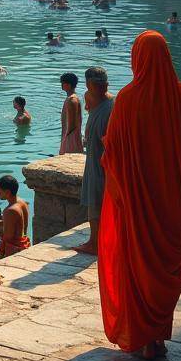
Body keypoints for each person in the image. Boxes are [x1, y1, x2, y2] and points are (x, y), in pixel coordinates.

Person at [98, 31, 181, 360]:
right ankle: (158, 337)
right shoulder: (180, 95)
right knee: (164, 268)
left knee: (137, 265)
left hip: (138, 203)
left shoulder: (128, 98)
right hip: (171, 201)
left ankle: (143, 337)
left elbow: (113, 152)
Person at [76, 66, 113, 255]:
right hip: (93, 159)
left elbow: (111, 143)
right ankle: (96, 239)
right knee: (94, 199)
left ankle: (95, 242)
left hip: (102, 163)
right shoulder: (92, 99)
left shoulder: (110, 109)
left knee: (97, 201)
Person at [0, 174, 30, 258]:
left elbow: (8, 239)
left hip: (14, 252)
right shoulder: (22, 203)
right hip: (24, 245)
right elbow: (22, 229)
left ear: (7, 192)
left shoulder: (10, 210)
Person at [59, 73, 83, 154]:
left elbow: (72, 125)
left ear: (69, 85)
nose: (61, 85)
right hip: (70, 135)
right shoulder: (71, 99)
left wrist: (65, 139)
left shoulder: (72, 100)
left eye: (63, 83)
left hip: (71, 137)